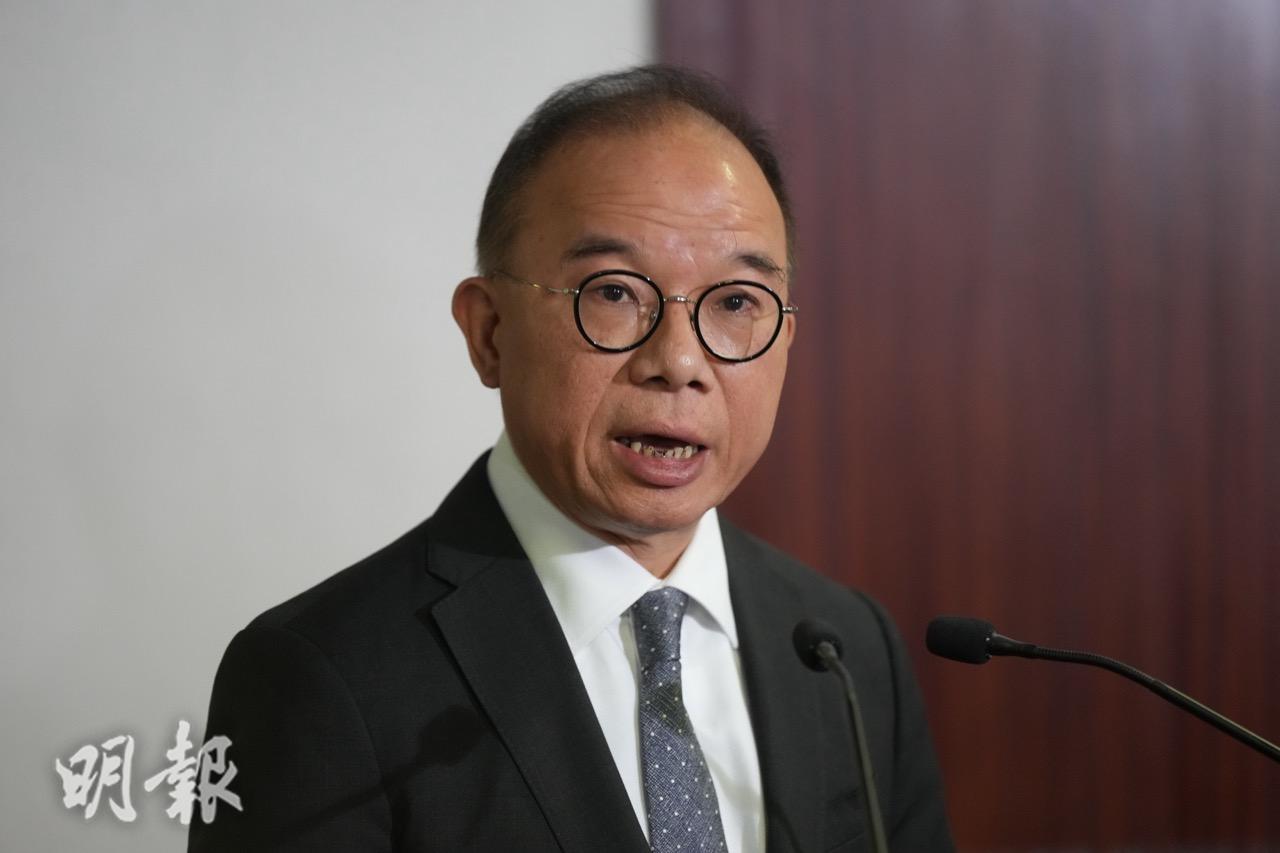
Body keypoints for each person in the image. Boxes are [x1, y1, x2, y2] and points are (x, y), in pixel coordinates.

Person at [189, 65, 953, 853]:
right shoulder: (321, 677)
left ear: (785, 339)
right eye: (614, 292)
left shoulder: (847, 653)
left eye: (735, 303)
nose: (679, 361)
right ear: (490, 332)